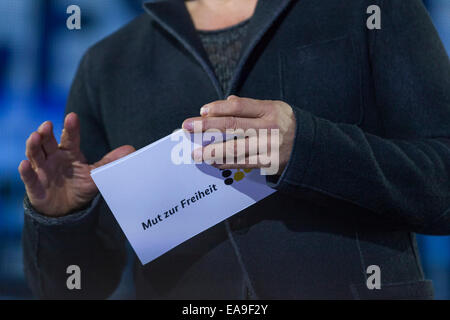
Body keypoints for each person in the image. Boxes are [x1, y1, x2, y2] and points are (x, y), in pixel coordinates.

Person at [19, 0, 450, 299]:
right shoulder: (108, 63)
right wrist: (61, 217)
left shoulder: (368, 9)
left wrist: (309, 146)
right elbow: (75, 288)